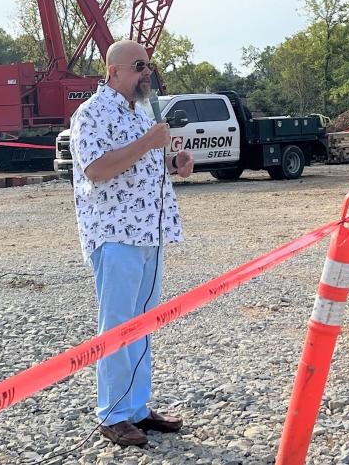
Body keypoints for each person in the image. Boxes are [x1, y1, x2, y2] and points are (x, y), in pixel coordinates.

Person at [69, 39, 194, 447]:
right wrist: (148, 143)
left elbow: (148, 164)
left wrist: (176, 163)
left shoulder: (140, 114)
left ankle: (137, 408)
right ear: (114, 72)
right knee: (118, 326)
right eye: (139, 66)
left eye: (148, 66)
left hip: (150, 233)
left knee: (143, 324)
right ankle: (112, 414)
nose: (146, 73)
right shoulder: (90, 115)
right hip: (115, 235)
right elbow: (98, 169)